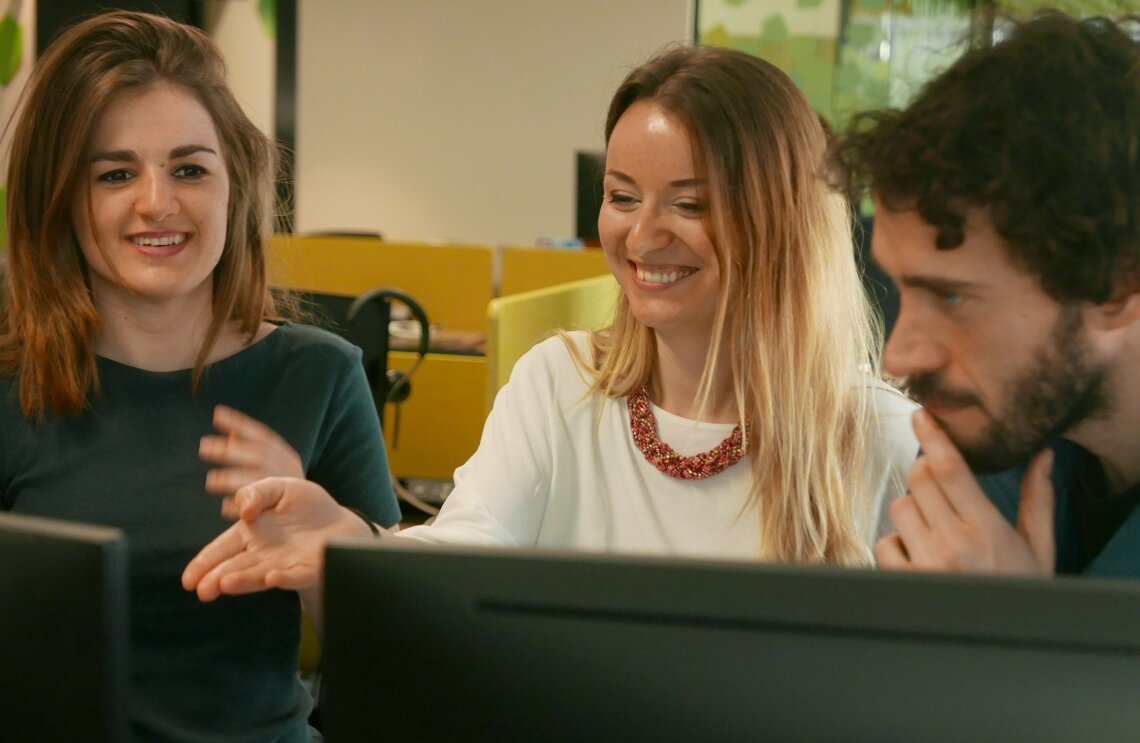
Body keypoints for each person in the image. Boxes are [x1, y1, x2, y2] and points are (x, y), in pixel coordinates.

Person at [182, 46, 918, 613]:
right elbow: (463, 561)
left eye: (689, 205)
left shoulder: (882, 437)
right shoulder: (560, 384)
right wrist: (352, 542)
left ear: (782, 223)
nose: (641, 234)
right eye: (622, 196)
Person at [0, 11, 400, 741]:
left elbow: (400, 663)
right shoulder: (9, 387)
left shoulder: (318, 374)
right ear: (60, 196)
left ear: (234, 183)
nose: (159, 201)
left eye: (189, 168)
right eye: (115, 173)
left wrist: (328, 551)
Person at [829, 11, 1140, 578]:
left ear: (1117, 285)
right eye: (902, 288)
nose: (897, 358)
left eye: (950, 298)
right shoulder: (991, 437)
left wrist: (1017, 634)